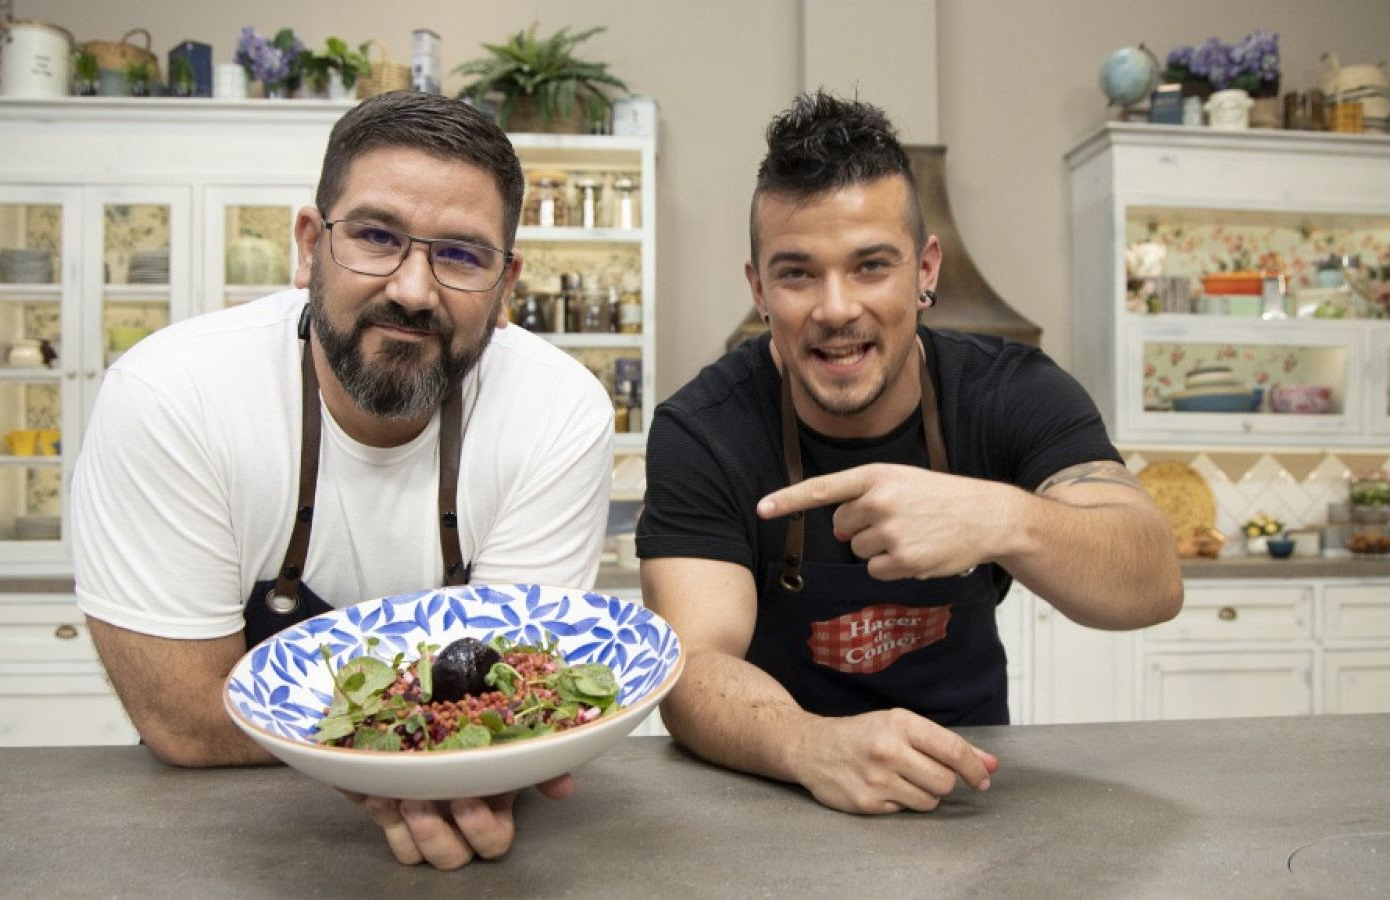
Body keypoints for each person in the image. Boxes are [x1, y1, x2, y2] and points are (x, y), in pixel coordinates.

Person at [71, 90, 613, 869]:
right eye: (375, 236)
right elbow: (187, 720)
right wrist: (423, 751)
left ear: (506, 288)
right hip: (218, 845)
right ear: (307, 245)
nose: (413, 289)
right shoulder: (171, 396)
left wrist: (424, 748)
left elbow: (520, 695)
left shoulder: (558, 411)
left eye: (461, 254)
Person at [637, 90, 1182, 816]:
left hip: (973, 791)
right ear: (759, 287)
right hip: (772, 798)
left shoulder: (1010, 393)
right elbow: (692, 667)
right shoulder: (702, 430)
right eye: (797, 273)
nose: (835, 309)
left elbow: (1152, 581)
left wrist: (1001, 519)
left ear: (925, 271)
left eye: (870, 266)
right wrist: (809, 746)